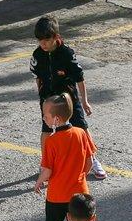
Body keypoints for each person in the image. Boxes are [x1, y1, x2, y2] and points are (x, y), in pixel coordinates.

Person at [31, 15, 106, 180]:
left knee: (81, 128)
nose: (42, 44)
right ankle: (46, 164)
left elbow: (79, 78)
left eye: (46, 40)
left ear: (56, 37)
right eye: (39, 40)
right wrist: (42, 98)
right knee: (46, 130)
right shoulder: (37, 55)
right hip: (49, 99)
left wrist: (84, 101)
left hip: (68, 99)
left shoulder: (66, 53)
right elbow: (38, 78)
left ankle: (92, 159)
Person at [35, 94, 95, 221]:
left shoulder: (51, 141)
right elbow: (89, 162)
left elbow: (47, 171)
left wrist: (39, 181)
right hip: (79, 193)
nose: (43, 117)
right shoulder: (81, 133)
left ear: (56, 119)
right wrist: (80, 176)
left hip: (57, 195)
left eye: (46, 115)